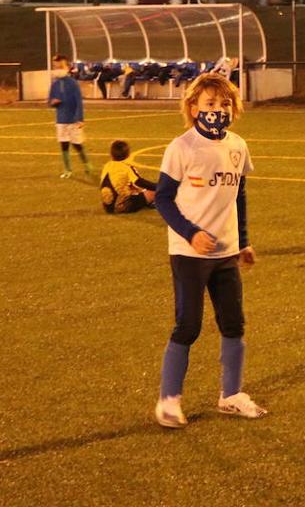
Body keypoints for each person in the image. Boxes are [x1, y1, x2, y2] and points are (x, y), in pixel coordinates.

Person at [153, 72, 266, 428]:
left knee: (233, 324)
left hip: (226, 253)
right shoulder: (182, 147)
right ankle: (169, 402)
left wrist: (243, 240)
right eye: (210, 103)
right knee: (188, 326)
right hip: (190, 254)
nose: (218, 109)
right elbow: (162, 198)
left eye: (224, 103)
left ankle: (230, 395)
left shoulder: (237, 146)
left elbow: (239, 196)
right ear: (193, 107)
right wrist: (190, 233)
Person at [47, 54, 92, 178]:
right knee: (64, 144)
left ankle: (87, 164)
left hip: (73, 120)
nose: (58, 68)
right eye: (56, 66)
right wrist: (53, 103)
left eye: (61, 66)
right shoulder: (54, 84)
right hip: (61, 120)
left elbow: (79, 101)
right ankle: (68, 170)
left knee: (77, 144)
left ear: (67, 67)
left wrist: (80, 118)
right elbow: (49, 101)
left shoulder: (73, 83)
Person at [99, 140, 156, 214]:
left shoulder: (107, 165)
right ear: (128, 154)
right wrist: (158, 187)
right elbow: (139, 182)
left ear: (111, 154)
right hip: (122, 205)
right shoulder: (126, 167)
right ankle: (152, 202)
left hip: (107, 207)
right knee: (154, 192)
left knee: (135, 189)